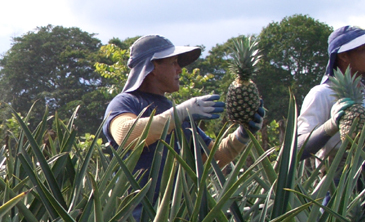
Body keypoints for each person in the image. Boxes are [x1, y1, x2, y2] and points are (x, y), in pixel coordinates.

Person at [102, 35, 265, 188]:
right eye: (173, 62)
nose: (179, 69)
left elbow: (212, 159)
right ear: (153, 67)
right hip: (137, 215)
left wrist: (243, 133)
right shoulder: (125, 102)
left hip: (181, 215)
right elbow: (126, 135)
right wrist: (180, 112)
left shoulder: (176, 111)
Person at [297, 26, 365, 167]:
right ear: (343, 56)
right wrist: (330, 126)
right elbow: (296, 150)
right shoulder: (321, 94)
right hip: (334, 185)